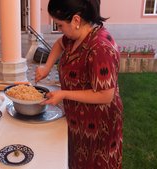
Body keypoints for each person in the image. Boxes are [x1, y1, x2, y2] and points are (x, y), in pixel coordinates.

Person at [35, 0, 123, 168]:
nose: (59, 29)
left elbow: (106, 95)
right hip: (78, 122)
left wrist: (64, 94)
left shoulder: (100, 48)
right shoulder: (74, 37)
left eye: (59, 25)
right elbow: (59, 44)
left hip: (99, 127)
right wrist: (46, 67)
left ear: (76, 20)